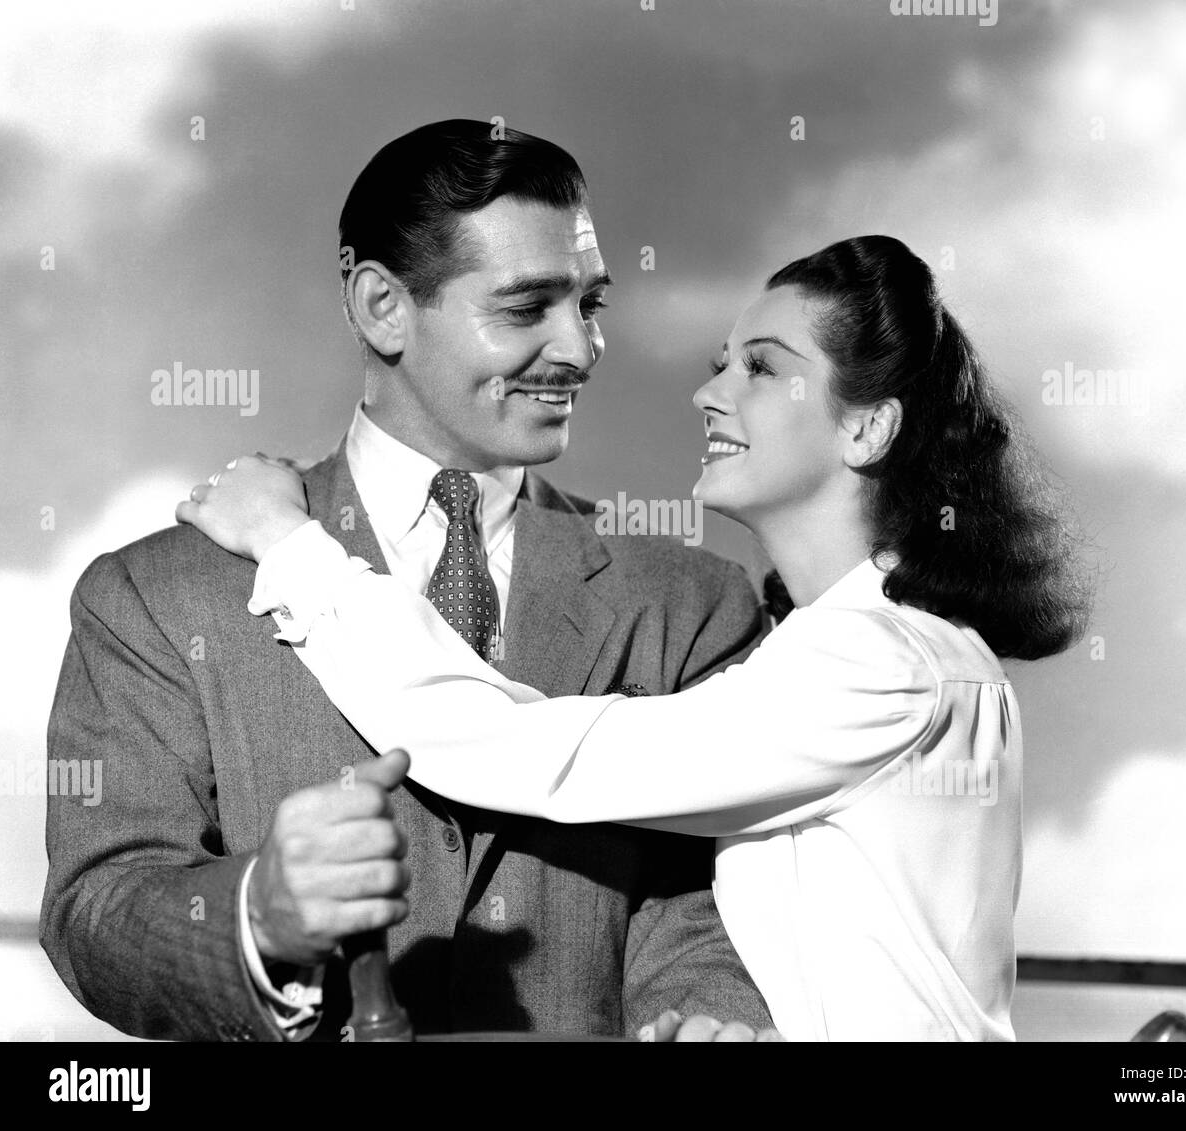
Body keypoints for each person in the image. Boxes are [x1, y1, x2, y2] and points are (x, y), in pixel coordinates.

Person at [180, 234, 1094, 1041]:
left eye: (760, 369)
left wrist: (290, 546)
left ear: (865, 425)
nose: (708, 392)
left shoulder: (883, 664)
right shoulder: (891, 650)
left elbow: (523, 749)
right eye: (719, 362)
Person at [41, 120, 776, 1042]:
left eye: (591, 304)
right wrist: (259, 913)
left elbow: (714, 911)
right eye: (525, 308)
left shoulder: (693, 603)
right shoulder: (154, 595)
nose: (582, 349)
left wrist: (710, 1018)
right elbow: (97, 910)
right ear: (383, 306)